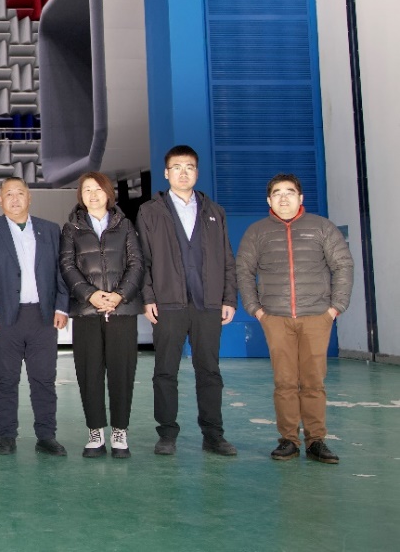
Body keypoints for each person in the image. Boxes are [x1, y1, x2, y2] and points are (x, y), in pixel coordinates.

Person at [236, 174, 354, 464]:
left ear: (301, 198)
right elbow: (244, 270)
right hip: (275, 318)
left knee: (313, 381)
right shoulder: (257, 232)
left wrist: (335, 308)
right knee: (285, 381)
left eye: (290, 192)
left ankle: (316, 440)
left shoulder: (322, 227)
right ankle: (288, 439)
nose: (284, 197)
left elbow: (343, 265)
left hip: (316, 316)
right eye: (277, 193)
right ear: (269, 200)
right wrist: (256, 310)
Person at [137, 145, 238, 457]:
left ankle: (213, 435)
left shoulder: (214, 212)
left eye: (189, 167)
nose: (183, 173)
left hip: (208, 304)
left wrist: (229, 298)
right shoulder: (150, 212)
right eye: (177, 167)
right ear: (166, 173)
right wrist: (148, 297)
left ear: (197, 172)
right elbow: (143, 259)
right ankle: (167, 433)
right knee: (165, 371)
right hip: (168, 303)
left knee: (209, 371)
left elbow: (227, 259)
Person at [0, 177, 69, 457]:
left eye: (20, 193)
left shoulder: (51, 230)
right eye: (9, 194)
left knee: (44, 380)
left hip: (43, 317)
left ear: (29, 197)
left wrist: (62, 307)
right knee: (5, 380)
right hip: (4, 318)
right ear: (0, 200)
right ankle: (7, 437)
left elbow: (62, 272)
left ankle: (46, 436)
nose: (15, 199)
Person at [58, 172, 143, 458]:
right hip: (87, 312)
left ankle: (120, 432)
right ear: (80, 195)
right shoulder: (71, 228)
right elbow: (67, 266)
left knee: (122, 371)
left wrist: (119, 295)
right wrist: (91, 295)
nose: (93, 195)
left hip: (122, 310)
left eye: (98, 189)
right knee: (89, 372)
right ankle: (95, 432)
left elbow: (136, 264)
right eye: (87, 190)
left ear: (108, 193)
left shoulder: (125, 225)